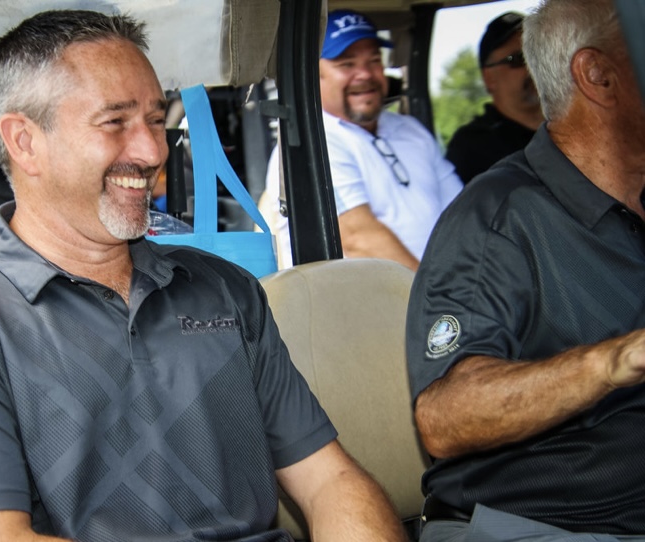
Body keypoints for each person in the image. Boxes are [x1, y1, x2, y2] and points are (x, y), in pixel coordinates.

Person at [0, 10, 406, 542]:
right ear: (25, 141)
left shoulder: (225, 290)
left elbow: (330, 481)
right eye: (115, 122)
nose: (152, 151)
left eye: (154, 119)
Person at [406, 0, 645, 540]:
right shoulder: (496, 219)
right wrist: (614, 361)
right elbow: (445, 416)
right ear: (597, 76)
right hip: (551, 526)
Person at [262, 9, 462, 271]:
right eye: (347, 64)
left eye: (374, 60)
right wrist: (438, 293)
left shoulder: (410, 130)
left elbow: (460, 212)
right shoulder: (314, 144)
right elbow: (358, 240)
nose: (365, 74)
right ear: (313, 74)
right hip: (367, 295)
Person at [444, 11, 545, 185]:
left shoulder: (575, 123)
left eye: (538, 55)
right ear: (489, 78)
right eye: (518, 59)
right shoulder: (472, 147)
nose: (533, 67)